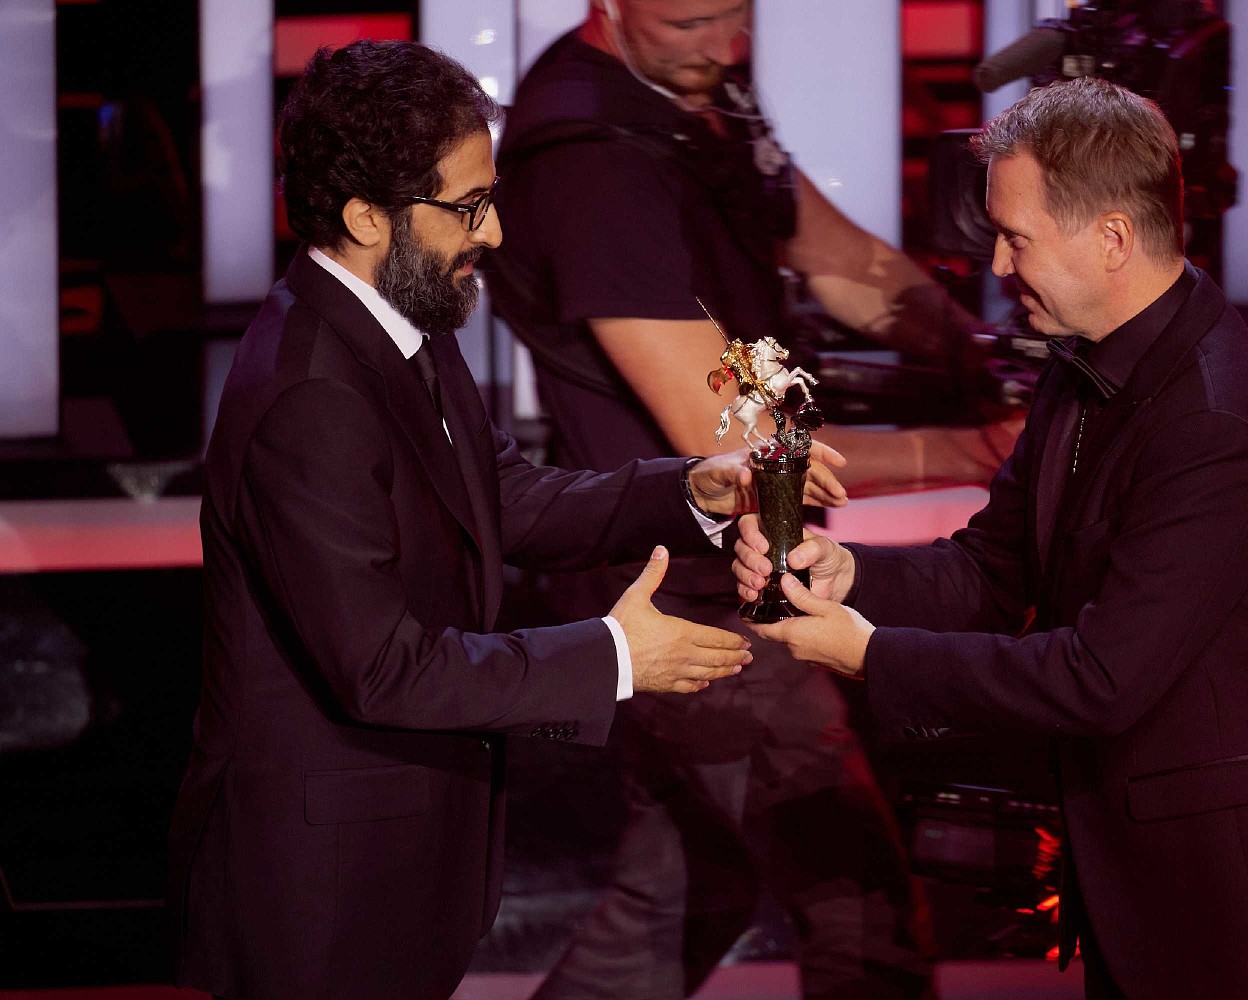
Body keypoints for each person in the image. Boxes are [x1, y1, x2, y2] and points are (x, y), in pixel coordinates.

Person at [166, 40, 845, 1000]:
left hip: (393, 854)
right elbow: (383, 668)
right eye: (469, 206)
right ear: (367, 216)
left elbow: (504, 499)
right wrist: (613, 657)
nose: (494, 231)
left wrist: (692, 487)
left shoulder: (401, 322)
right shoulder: (310, 394)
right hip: (318, 889)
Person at [734, 77, 1248, 999]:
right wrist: (849, 575)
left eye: (1016, 238)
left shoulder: (1218, 423)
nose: (998, 267)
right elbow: (991, 569)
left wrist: (869, 655)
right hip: (1151, 884)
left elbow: (1101, 679)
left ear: (1112, 238)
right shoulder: (1083, 365)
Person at [483, 2, 1025, 998]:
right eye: (692, 20)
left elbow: (839, 257)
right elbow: (740, 447)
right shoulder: (590, 166)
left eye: (737, 12)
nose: (725, 44)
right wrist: (985, 451)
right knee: (856, 899)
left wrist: (977, 355)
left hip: (739, 573)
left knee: (686, 891)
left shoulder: (691, 83)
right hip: (688, 596)